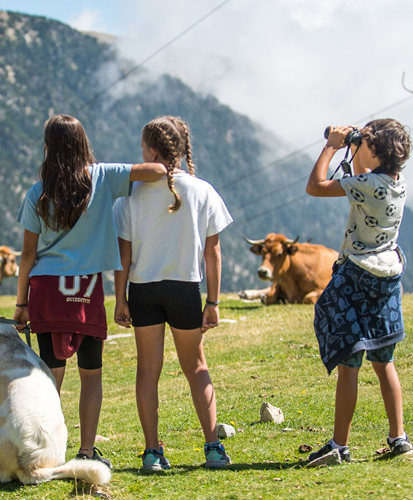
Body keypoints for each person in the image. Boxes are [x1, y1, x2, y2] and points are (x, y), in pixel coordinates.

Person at [13, 114, 167, 469]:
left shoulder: (38, 193)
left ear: (48, 148)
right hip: (87, 289)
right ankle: (85, 450)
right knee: (91, 373)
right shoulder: (104, 176)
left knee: (51, 376)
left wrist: (21, 303)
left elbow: (28, 256)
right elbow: (156, 172)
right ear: (84, 144)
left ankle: (47, 451)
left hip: (48, 290)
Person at [112, 116, 233, 471]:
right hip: (185, 289)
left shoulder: (131, 194)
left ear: (150, 151)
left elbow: (124, 255)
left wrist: (120, 298)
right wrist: (213, 301)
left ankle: (152, 453)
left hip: (143, 289)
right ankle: (212, 447)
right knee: (196, 367)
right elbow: (213, 252)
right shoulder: (203, 190)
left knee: (147, 370)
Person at [304, 119, 413, 463]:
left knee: (350, 363)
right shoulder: (397, 183)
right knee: (385, 361)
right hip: (387, 278)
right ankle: (399, 437)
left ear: (375, 151)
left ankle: (340, 445)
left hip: (357, 277)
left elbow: (316, 186)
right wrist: (358, 144)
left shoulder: (365, 184)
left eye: (365, 140)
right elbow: (363, 174)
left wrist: (332, 146)